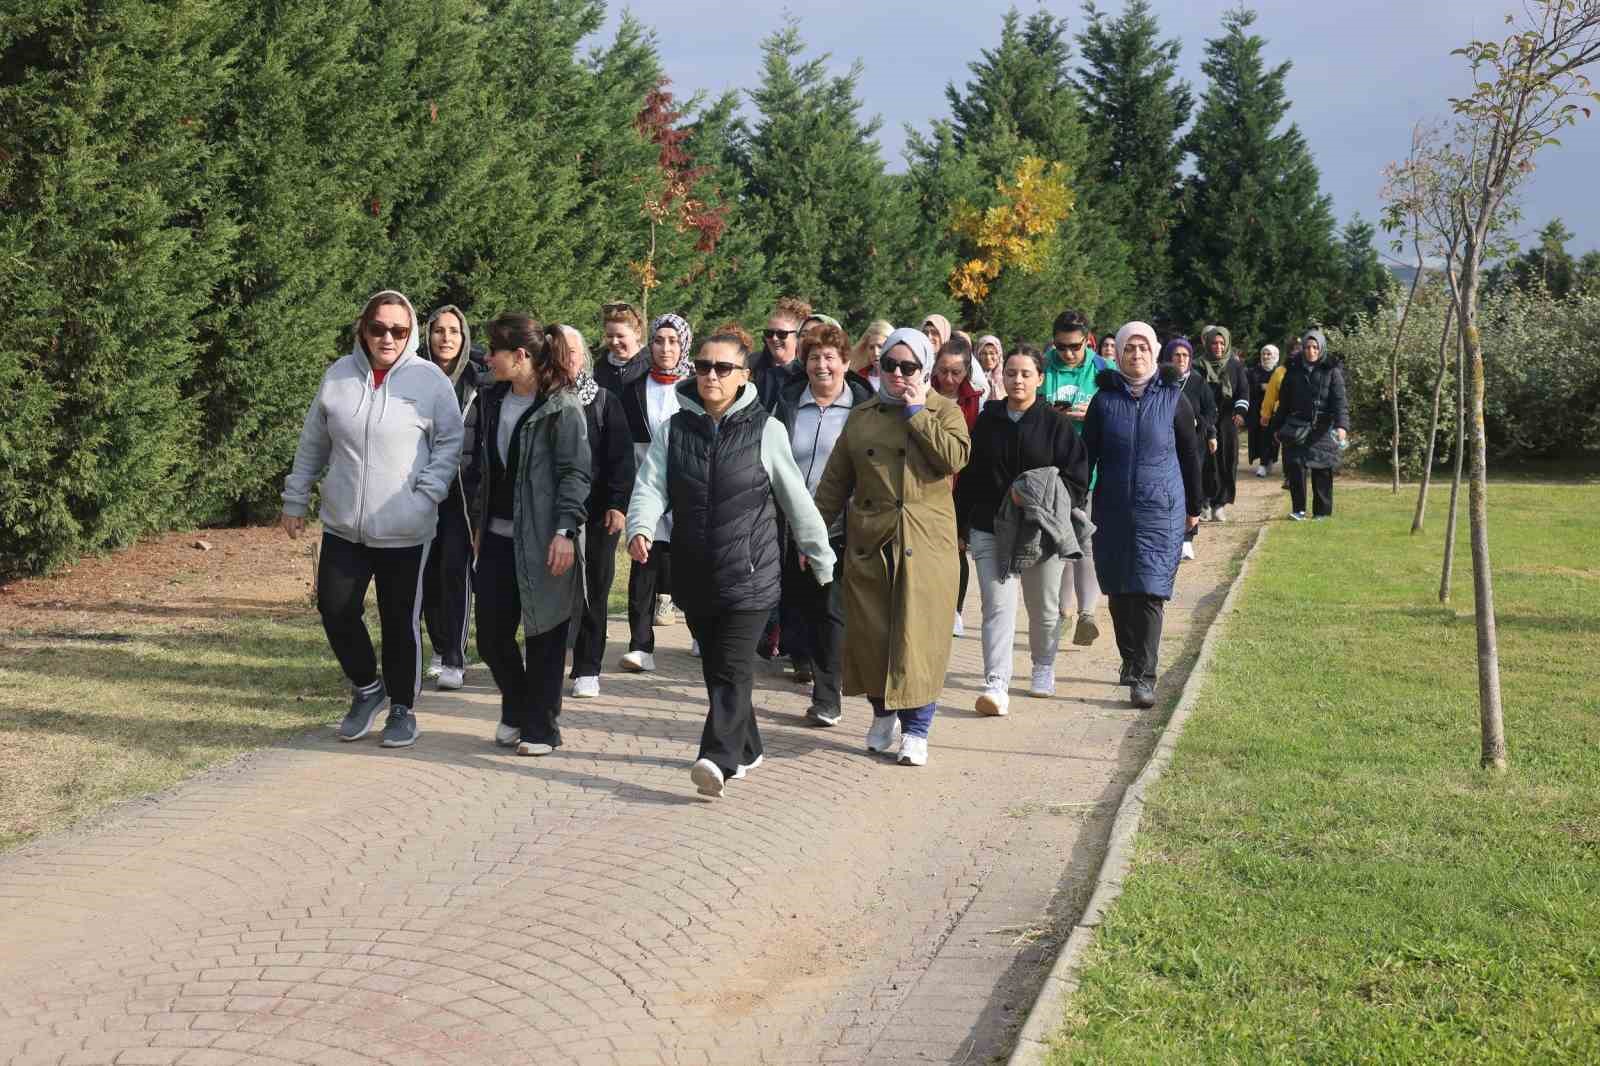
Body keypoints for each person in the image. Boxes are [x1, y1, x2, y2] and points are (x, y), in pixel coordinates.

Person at [627, 332, 836, 799]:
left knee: (732, 668)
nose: (711, 376)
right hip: (695, 573)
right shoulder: (675, 430)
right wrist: (639, 528)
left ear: (744, 377)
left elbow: (796, 501)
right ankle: (749, 746)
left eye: (723, 368)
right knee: (719, 668)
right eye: (703, 366)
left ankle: (717, 757)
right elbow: (649, 486)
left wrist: (821, 559)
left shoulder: (767, 430)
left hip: (751, 572)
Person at [281, 290, 464, 748]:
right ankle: (367, 688)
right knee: (334, 608)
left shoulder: (429, 382)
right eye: (378, 328)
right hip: (345, 525)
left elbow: (449, 444)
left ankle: (402, 708)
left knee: (399, 620)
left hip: (405, 528)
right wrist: (295, 497)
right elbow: (312, 444)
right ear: (363, 330)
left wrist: (427, 496)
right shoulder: (338, 377)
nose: (388, 338)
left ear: (411, 333)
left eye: (399, 331)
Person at [813, 328, 972, 767]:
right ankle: (883, 713)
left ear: (925, 369)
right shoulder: (862, 415)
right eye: (890, 366)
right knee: (873, 634)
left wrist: (918, 411)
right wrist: (810, 533)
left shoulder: (945, 411)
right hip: (871, 538)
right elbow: (834, 481)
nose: (898, 375)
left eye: (909, 367)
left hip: (927, 542)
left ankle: (918, 729)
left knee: (919, 637)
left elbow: (954, 459)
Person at [467, 314, 590, 756]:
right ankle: (518, 705)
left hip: (545, 539)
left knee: (544, 635)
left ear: (520, 356)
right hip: (497, 537)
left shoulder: (562, 407)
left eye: (494, 350)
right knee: (491, 637)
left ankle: (542, 728)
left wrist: (565, 531)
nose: (486, 356)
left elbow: (575, 474)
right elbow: (485, 471)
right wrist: (479, 525)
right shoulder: (491, 397)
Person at [956, 344, 1089, 713]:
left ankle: (1043, 665)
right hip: (990, 528)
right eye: (1011, 373)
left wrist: (1036, 498)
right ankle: (996, 683)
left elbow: (1077, 481)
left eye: (1026, 374)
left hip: (1039, 532)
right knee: (997, 606)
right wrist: (961, 522)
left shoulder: (1056, 426)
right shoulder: (987, 420)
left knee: (1043, 608)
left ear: (1040, 379)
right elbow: (969, 474)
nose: (1017, 380)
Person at [1081, 322, 1203, 710]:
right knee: (1119, 590)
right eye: (1128, 348)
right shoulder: (1103, 401)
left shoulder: (1173, 398)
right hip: (1113, 506)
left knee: (1150, 590)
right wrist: (1075, 497)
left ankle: (1145, 677)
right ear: (1117, 353)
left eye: (1143, 348)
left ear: (1155, 351)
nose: (1136, 355)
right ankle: (1130, 658)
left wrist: (1194, 508)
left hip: (1161, 508)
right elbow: (1087, 456)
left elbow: (1189, 456)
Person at [772, 324, 872, 727]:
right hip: (786, 521)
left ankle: (827, 698)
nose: (822, 365)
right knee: (797, 603)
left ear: (846, 363)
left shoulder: (863, 409)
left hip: (838, 524)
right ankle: (803, 657)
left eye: (831, 357)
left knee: (831, 607)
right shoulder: (788, 404)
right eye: (814, 357)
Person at [542, 326, 636, 700]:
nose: (567, 358)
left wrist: (617, 503)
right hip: (551, 511)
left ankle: (587, 666)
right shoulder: (540, 398)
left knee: (594, 588)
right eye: (558, 351)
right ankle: (550, 661)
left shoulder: (603, 401)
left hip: (597, 514)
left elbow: (621, 457)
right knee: (552, 589)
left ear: (585, 357)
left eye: (573, 351)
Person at [616, 313, 692, 670]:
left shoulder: (696, 386)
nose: (665, 348)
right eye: (659, 340)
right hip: (646, 487)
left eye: (673, 341)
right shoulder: (633, 386)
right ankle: (640, 645)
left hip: (689, 490)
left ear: (683, 345)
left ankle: (699, 633)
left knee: (690, 565)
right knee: (643, 564)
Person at [1040, 310, 1112, 647]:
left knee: (1086, 542)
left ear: (1088, 340)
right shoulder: (1044, 365)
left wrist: (1093, 414)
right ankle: (1063, 612)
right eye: (1062, 346)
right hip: (1053, 470)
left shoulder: (1101, 369)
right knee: (1058, 542)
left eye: (1075, 347)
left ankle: (1088, 614)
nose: (1068, 353)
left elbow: (1118, 409)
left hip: (1091, 468)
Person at [420, 304, 479, 691]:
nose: (446, 338)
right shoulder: (413, 375)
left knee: (455, 572)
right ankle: (439, 649)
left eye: (453, 331)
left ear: (464, 337)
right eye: (439, 331)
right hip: (420, 491)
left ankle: (456, 658)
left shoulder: (479, 379)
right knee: (425, 574)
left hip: (462, 493)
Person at [932, 343, 985, 638]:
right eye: (943, 371)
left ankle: (956, 609)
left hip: (962, 484)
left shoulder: (974, 402)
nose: (948, 378)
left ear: (967, 371)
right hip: (926, 481)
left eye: (956, 372)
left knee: (956, 548)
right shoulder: (921, 394)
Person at [1268, 328, 1349, 520]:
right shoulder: (1292, 370)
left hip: (1322, 429)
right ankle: (1299, 510)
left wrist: (1342, 426)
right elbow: (1284, 402)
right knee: (1295, 468)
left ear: (1321, 348)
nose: (1311, 351)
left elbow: (1340, 402)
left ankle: (1322, 512)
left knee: (1322, 470)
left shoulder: (1332, 371)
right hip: (1296, 427)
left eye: (1315, 347)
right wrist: (1276, 428)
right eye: (1307, 347)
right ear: (1302, 348)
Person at [1160, 337, 1216, 560]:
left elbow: (1211, 411)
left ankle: (1188, 537)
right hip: (1166, 445)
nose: (1181, 359)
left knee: (1190, 486)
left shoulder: (1198, 382)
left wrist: (1201, 425)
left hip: (1194, 444)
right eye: (1176, 355)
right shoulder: (1160, 382)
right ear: (1169, 358)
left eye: (1185, 356)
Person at [1197, 325, 1251, 522]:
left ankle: (1220, 504)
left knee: (1227, 461)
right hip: (1205, 421)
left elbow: (1243, 391)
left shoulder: (1235, 366)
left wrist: (1240, 411)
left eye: (1222, 343)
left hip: (1227, 421)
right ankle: (1204, 503)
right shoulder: (1199, 365)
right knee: (1206, 463)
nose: (1218, 347)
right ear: (1208, 344)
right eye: (1214, 343)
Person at [748, 296, 811, 409]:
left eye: (782, 334)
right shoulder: (751, 365)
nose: (774, 338)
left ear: (797, 336)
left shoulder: (807, 372)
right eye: (769, 333)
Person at [920, 312, 988, 398]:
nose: (929, 337)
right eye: (925, 332)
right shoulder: (918, 358)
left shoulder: (960, 355)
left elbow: (982, 389)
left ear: (944, 333)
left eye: (934, 333)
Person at [593, 301, 646, 394]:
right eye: (609, 336)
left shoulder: (651, 366)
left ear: (637, 333)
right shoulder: (599, 367)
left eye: (620, 336)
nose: (614, 342)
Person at [1247, 344, 1282, 477]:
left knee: (1271, 438)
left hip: (1274, 411)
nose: (1266, 357)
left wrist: (1270, 388)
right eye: (1264, 354)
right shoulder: (1253, 372)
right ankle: (1263, 463)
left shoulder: (1279, 372)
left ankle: (1267, 462)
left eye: (1269, 354)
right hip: (1257, 411)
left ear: (1275, 356)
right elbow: (1249, 387)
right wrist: (1261, 387)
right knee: (1259, 437)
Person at [850, 319, 893, 390]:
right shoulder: (856, 379)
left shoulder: (902, 377)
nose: (876, 353)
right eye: (871, 347)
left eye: (880, 346)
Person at [974, 334, 1005, 401]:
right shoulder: (973, 378)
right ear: (978, 356)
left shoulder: (1006, 377)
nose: (988, 358)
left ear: (999, 355)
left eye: (992, 353)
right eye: (984, 354)